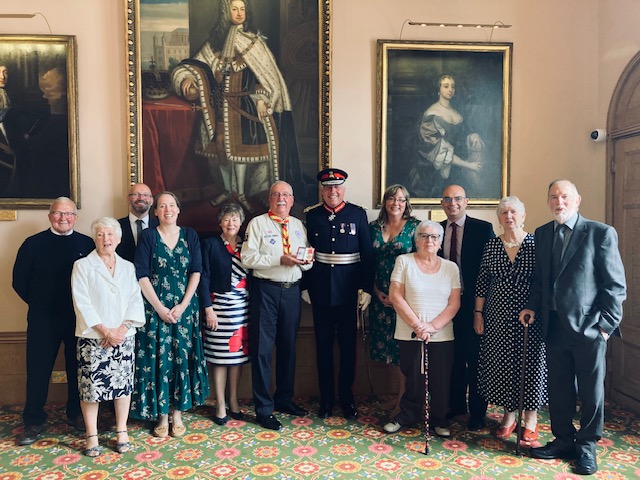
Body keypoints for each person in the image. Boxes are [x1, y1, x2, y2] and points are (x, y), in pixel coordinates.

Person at [520, 180, 626, 475]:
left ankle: (587, 446)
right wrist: (531, 306)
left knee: (592, 393)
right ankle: (563, 439)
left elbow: (615, 286)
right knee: (559, 388)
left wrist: (604, 327)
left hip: (589, 329)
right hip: (553, 327)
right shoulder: (542, 234)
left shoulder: (599, 233)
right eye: (553, 197)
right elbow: (540, 280)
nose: (559, 202)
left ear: (577, 200)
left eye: (565, 197)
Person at [171, 0, 305, 211]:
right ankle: (227, 190)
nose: (239, 13)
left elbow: (266, 77)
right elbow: (193, 66)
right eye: (234, 9)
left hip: (246, 107)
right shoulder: (213, 44)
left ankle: (241, 193)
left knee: (241, 152)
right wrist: (187, 82)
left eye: (242, 9)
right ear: (226, 12)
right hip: (219, 107)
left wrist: (262, 98)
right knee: (222, 151)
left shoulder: (254, 43)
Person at [12, 197, 94, 445]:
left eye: (68, 214)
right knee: (38, 370)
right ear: (50, 217)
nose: (63, 218)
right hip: (42, 318)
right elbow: (19, 281)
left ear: (75, 218)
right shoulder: (32, 244)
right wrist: (39, 303)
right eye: (58, 214)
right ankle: (33, 420)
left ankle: (76, 413)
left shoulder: (86, 244)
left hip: (78, 318)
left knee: (77, 368)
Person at [131, 192, 209, 437]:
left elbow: (196, 271)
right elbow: (141, 274)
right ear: (155, 211)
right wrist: (159, 308)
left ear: (178, 209)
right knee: (159, 360)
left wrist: (184, 305)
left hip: (185, 310)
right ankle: (162, 415)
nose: (167, 210)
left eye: (172, 205)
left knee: (181, 359)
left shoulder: (190, 235)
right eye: (162, 206)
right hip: (155, 309)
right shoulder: (148, 236)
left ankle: (178, 414)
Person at [71, 217, 146, 457]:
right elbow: (81, 301)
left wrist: (121, 330)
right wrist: (105, 331)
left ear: (119, 238)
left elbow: (135, 300)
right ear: (95, 238)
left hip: (123, 337)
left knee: (123, 387)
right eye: (101, 234)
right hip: (94, 338)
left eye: (111, 234)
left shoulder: (128, 267)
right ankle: (91, 434)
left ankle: (121, 431)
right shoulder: (82, 265)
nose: (106, 239)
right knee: (90, 389)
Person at [474, 196, 546, 443]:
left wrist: (534, 308)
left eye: (514, 212)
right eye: (504, 213)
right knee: (504, 365)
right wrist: (478, 314)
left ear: (523, 216)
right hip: (497, 316)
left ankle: (531, 419)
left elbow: (543, 282)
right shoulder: (492, 246)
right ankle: (508, 416)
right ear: (499, 218)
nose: (509, 216)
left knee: (530, 365)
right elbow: (482, 282)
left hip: (530, 316)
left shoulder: (537, 244)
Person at [241, 181, 312, 430]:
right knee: (262, 350)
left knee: (288, 348)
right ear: (269, 199)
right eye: (276, 195)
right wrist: (279, 259)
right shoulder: (257, 223)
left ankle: (284, 399)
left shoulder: (297, 226)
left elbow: (306, 261)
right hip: (266, 291)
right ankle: (263, 408)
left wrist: (305, 261)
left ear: (292, 200)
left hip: (291, 293)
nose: (281, 199)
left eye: (286, 195)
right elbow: (247, 258)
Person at [304, 168, 374, 419]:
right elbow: (306, 252)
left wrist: (366, 288)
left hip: (348, 292)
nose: (333, 191)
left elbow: (367, 254)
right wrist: (305, 287)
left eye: (337, 187)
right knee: (323, 347)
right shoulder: (311, 216)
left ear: (344, 189)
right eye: (328, 188)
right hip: (321, 290)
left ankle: (346, 398)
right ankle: (326, 400)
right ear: (322, 190)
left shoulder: (357, 214)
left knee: (347, 348)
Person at [384, 220, 460, 437]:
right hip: (410, 331)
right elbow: (395, 296)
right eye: (424, 236)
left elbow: (454, 302)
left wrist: (433, 327)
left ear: (440, 242)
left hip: (442, 334)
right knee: (413, 378)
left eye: (435, 237)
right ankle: (407, 415)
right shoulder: (404, 262)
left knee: (440, 378)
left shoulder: (450, 268)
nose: (429, 240)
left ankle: (439, 419)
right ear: (416, 240)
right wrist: (418, 326)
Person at [439, 184, 495, 431]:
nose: (453, 203)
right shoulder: (436, 231)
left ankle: (477, 413)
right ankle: (456, 405)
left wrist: (481, 311)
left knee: (475, 359)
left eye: (458, 199)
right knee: (453, 357)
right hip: (445, 306)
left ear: (466, 201)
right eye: (448, 199)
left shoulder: (483, 229)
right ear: (442, 203)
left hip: (475, 306)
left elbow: (491, 271)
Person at [369, 184, 420, 413]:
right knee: (387, 348)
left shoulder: (415, 228)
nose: (396, 203)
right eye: (391, 199)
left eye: (401, 199)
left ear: (407, 202)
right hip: (381, 298)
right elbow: (367, 263)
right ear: (385, 202)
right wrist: (375, 290)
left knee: (403, 350)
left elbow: (422, 262)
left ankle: (405, 399)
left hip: (406, 299)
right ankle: (399, 395)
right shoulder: (372, 228)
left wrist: (400, 295)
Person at [199, 203, 250, 425]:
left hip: (242, 309)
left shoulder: (247, 245)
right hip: (217, 308)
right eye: (227, 219)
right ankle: (219, 403)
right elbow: (203, 277)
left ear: (241, 223)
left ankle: (233, 400)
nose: (231, 223)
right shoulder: (210, 244)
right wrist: (207, 309)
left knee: (236, 358)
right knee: (219, 359)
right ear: (220, 222)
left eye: (235, 219)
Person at [409, 74, 484, 198]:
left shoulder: (458, 113)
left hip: (457, 170)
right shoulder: (431, 114)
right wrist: (469, 165)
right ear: (438, 90)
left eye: (453, 86)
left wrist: (473, 135)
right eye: (446, 86)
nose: (450, 89)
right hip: (434, 172)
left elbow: (462, 136)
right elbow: (437, 151)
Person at [116, 183, 158, 262]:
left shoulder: (159, 227)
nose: (141, 198)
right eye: (136, 194)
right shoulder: (115, 226)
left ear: (152, 201)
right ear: (128, 199)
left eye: (145, 195)